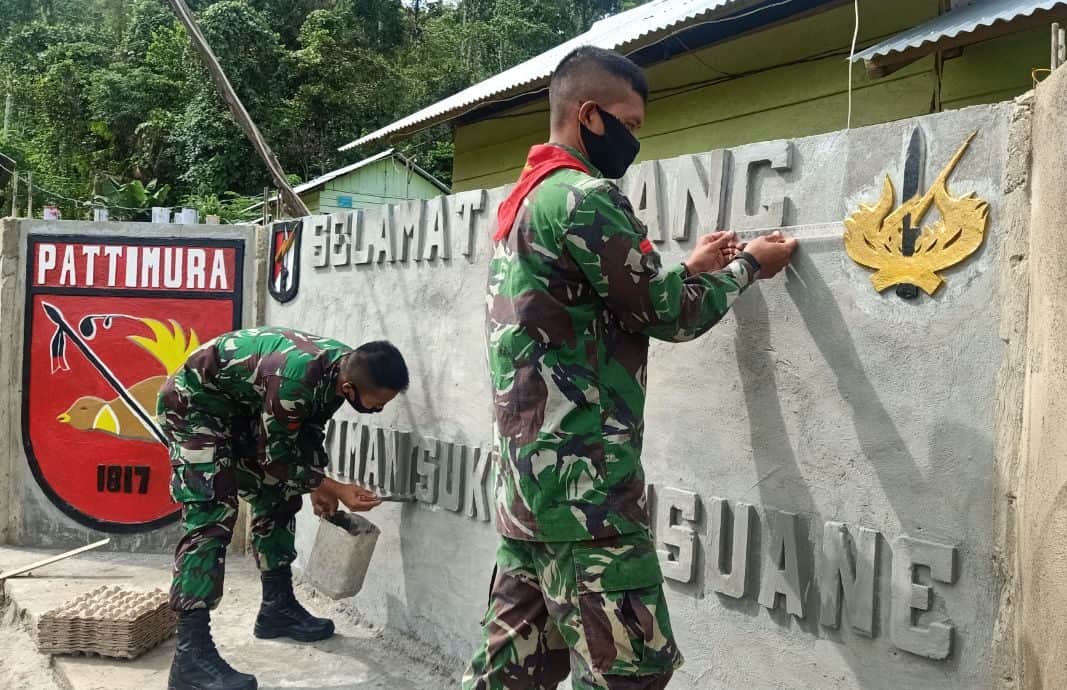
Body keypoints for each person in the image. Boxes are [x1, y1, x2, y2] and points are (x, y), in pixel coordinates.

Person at [464, 46, 797, 690]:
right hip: (588, 499)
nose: (636, 139)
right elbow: (669, 316)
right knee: (630, 675)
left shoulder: (530, 199)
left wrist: (694, 267)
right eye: (631, 124)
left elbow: (596, 306)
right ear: (590, 115)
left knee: (511, 676)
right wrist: (748, 266)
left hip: (528, 493)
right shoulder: (588, 198)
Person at [159, 327, 409, 690]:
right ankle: (190, 655)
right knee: (211, 517)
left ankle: (277, 607)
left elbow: (304, 431)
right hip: (195, 407)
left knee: (277, 496)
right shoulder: (295, 378)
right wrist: (333, 486)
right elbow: (275, 457)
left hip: (243, 410)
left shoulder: (342, 370)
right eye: (376, 403)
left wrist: (318, 485)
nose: (379, 409)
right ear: (350, 389)